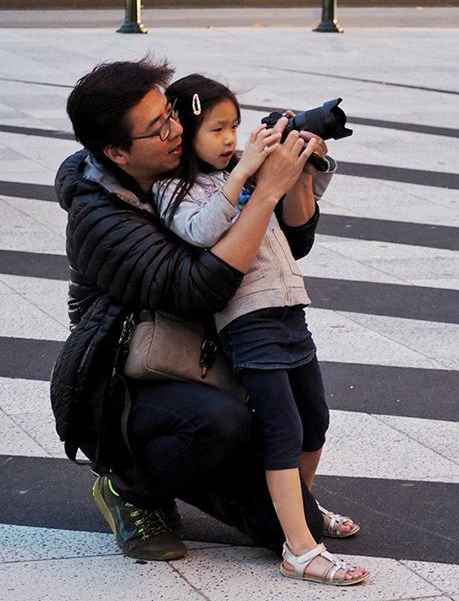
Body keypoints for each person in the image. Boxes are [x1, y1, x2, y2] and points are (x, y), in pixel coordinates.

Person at [50, 58, 329, 565]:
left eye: (172, 115)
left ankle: (212, 479)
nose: (177, 130)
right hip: (127, 382)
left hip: (205, 362)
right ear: (116, 151)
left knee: (297, 522)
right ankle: (131, 487)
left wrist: (295, 176)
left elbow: (286, 241)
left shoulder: (191, 167)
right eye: (158, 129)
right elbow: (200, 288)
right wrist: (262, 190)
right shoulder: (99, 215)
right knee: (220, 425)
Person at [151, 74, 368, 586]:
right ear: (185, 130)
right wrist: (248, 169)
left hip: (290, 308)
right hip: (246, 320)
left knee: (314, 422)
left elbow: (295, 226)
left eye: (235, 127)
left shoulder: (242, 175)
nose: (231, 139)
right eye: (218, 128)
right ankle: (298, 546)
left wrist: (300, 166)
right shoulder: (173, 188)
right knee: (281, 428)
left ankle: (299, 516)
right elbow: (202, 232)